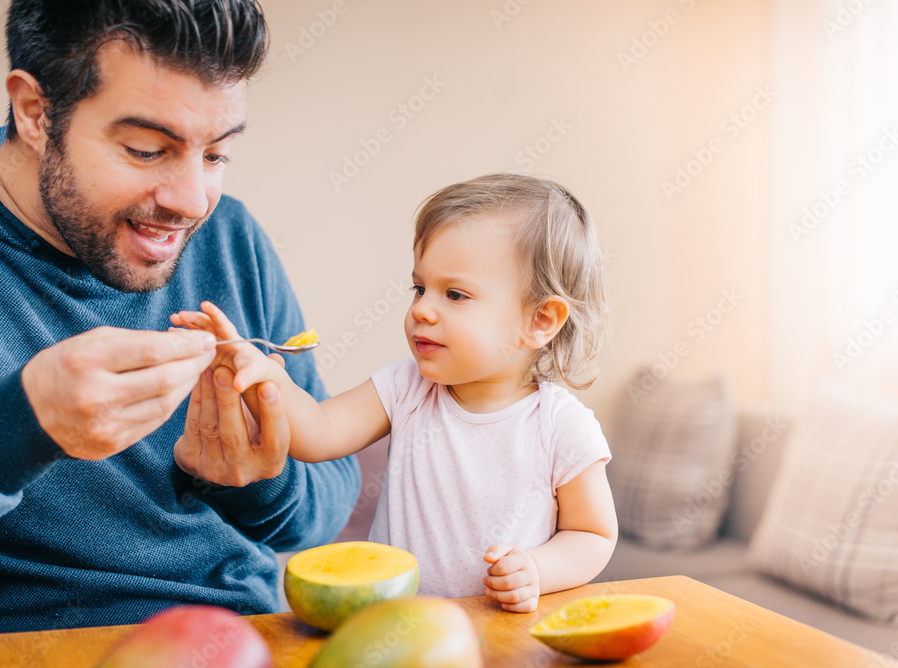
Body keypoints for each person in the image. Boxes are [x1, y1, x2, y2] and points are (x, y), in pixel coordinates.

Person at [0, 0, 359, 635]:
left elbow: (324, 504)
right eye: (145, 150)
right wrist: (19, 428)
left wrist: (252, 478)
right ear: (34, 112)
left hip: (238, 635)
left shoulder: (231, 239)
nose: (193, 202)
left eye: (216, 155)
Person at [175, 173, 618, 612]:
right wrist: (258, 374)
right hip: (392, 628)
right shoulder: (406, 387)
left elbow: (593, 535)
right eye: (420, 288)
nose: (422, 309)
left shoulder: (562, 424)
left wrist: (537, 569)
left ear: (540, 320)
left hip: (499, 633)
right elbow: (318, 432)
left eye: (456, 295)